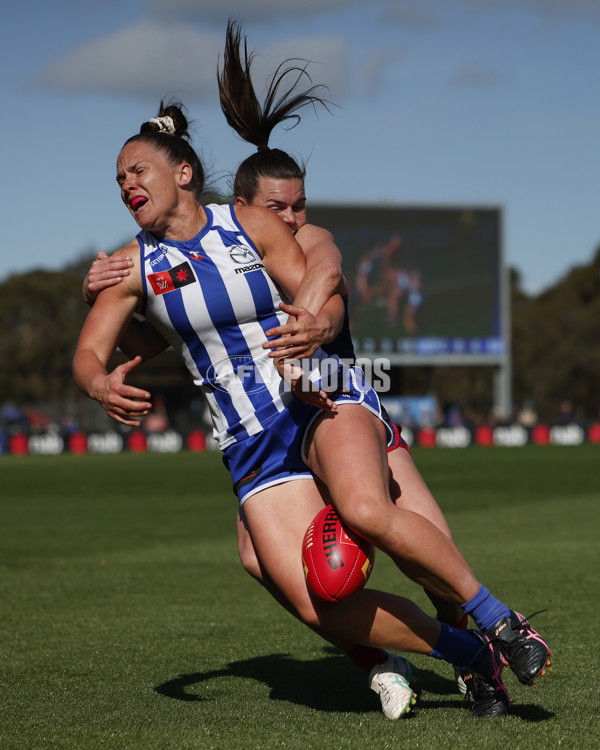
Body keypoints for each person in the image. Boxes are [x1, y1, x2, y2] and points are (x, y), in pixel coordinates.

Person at [76, 21, 551, 720]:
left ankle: (500, 623)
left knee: (372, 515)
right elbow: (90, 349)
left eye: (136, 170)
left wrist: (319, 329)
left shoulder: (254, 224)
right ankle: (464, 654)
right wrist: (98, 380)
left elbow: (321, 289)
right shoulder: (130, 266)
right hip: (247, 435)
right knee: (316, 596)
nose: (125, 185)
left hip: (316, 395)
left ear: (181, 172)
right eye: (117, 179)